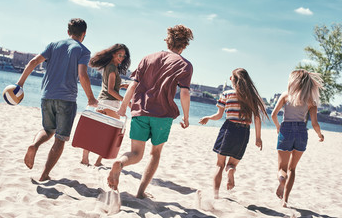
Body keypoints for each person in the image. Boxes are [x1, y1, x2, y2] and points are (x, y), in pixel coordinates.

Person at [107, 24, 194, 198]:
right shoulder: (185, 65)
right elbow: (184, 92)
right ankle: (140, 192)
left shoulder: (148, 58)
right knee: (155, 153)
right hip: (162, 115)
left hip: (140, 111)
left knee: (136, 153)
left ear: (168, 41)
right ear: (184, 46)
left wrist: (124, 106)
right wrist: (185, 116)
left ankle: (120, 162)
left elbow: (133, 85)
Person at [16, 18, 98, 181]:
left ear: (68, 32)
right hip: (66, 100)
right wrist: (90, 97)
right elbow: (82, 74)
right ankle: (45, 175)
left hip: (46, 95)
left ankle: (35, 145)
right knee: (60, 138)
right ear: (84, 34)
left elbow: (33, 62)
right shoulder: (83, 50)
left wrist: (20, 85)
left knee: (47, 129)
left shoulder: (53, 45)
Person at [199, 68, 268, 199]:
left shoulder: (227, 94)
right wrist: (258, 138)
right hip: (244, 132)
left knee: (219, 165)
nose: (230, 79)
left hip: (228, 129)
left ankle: (215, 195)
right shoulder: (252, 97)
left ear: (234, 80)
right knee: (232, 163)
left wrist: (208, 117)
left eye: (231, 77)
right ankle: (231, 170)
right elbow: (257, 119)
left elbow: (219, 115)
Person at [271, 69, 324, 207]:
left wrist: (278, 127)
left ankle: (282, 180)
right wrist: (320, 135)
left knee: (282, 168)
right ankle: (285, 200)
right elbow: (314, 123)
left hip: (286, 129)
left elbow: (273, 115)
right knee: (292, 169)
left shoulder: (286, 95)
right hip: (302, 132)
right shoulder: (311, 100)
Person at [80, 43, 131, 166]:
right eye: (119, 55)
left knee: (94, 131)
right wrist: (126, 102)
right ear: (113, 54)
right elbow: (111, 91)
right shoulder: (113, 68)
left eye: (124, 56)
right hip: (111, 104)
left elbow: (110, 87)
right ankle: (98, 161)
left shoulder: (109, 66)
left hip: (101, 102)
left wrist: (122, 85)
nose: (121, 58)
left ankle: (85, 158)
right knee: (109, 135)